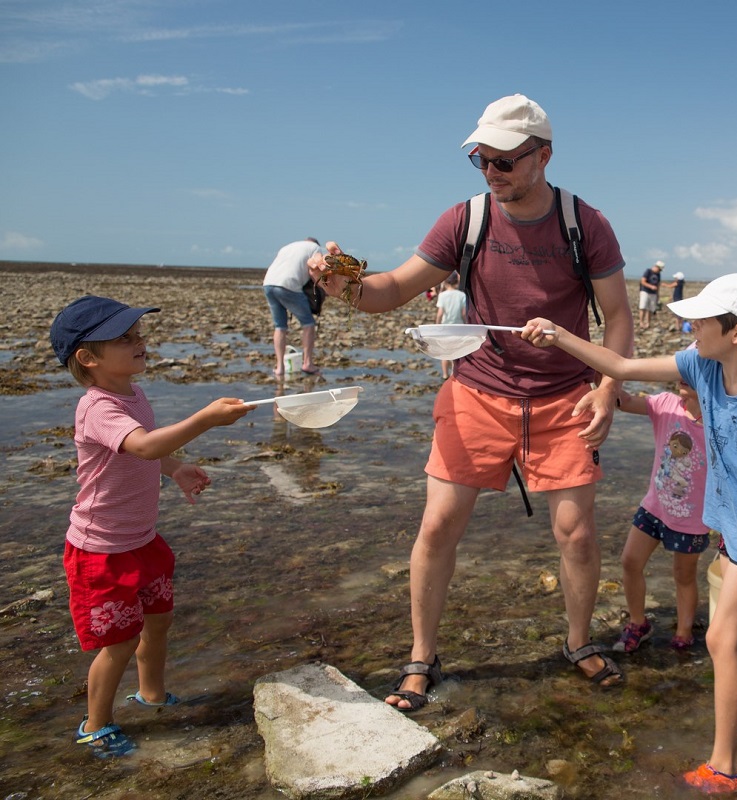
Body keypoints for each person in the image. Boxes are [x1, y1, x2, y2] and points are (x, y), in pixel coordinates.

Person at [317, 94, 635, 707]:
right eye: (481, 159)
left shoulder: (584, 223)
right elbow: (390, 290)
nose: (492, 171)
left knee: (576, 534)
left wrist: (607, 389)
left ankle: (577, 642)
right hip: (477, 393)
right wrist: (343, 285)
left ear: (543, 156)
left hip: (564, 398)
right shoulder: (463, 220)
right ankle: (421, 657)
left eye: (506, 160)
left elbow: (617, 318)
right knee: (437, 525)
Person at [520, 273, 737, 795]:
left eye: (702, 320)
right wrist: (558, 335)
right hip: (729, 524)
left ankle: (727, 767)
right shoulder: (701, 367)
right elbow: (618, 366)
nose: (690, 326)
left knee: (720, 636)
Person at [48, 296, 250, 758]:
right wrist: (203, 420)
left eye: (138, 334)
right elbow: (139, 446)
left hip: (143, 541)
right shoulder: (97, 408)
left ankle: (152, 695)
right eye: (125, 338)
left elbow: (146, 453)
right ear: (88, 357)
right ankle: (95, 724)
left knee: (158, 621)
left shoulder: (133, 393)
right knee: (118, 643)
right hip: (101, 551)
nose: (140, 342)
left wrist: (174, 467)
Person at [610, 377, 709, 654]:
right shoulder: (666, 404)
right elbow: (625, 402)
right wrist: (603, 378)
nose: (683, 378)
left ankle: (683, 631)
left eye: (692, 374)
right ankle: (638, 622)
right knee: (630, 561)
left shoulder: (719, 420)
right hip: (654, 507)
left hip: (692, 519)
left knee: (684, 575)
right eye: (682, 371)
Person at [263, 237, 325, 377]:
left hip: (268, 283)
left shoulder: (287, 246)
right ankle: (307, 363)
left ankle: (280, 367)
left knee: (280, 326)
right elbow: (314, 271)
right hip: (289, 285)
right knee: (308, 324)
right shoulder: (315, 249)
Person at [434, 271, 468, 379]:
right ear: (457, 282)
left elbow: (440, 313)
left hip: (445, 328)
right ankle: (454, 375)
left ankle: (444, 375)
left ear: (446, 282)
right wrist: (466, 324)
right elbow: (463, 313)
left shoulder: (442, 296)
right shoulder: (462, 295)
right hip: (458, 327)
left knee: (445, 353)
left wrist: (437, 326)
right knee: (456, 354)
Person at [638, 260, 664, 328]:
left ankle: (648, 323)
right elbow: (642, 281)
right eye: (659, 269)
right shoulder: (648, 271)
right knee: (643, 307)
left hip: (653, 294)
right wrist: (651, 286)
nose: (659, 271)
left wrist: (658, 294)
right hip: (645, 291)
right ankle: (641, 322)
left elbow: (658, 285)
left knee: (651, 309)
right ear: (656, 266)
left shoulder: (658, 274)